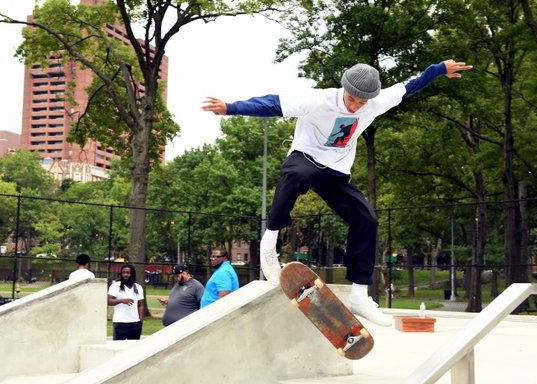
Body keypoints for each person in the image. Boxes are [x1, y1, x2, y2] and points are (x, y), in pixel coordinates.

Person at [202, 59, 472, 326]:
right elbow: (273, 103)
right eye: (352, 99)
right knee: (296, 175)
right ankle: (270, 239)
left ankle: (358, 295)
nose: (355, 106)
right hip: (306, 157)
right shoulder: (318, 100)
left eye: (361, 103)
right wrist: (230, 107)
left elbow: (410, 85)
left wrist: (439, 69)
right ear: (344, 88)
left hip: (337, 172)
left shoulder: (377, 102)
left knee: (367, 220)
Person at [107, 263, 145, 340]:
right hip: (120, 323)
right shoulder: (115, 286)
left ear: (132, 274)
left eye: (128, 273)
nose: (125, 275)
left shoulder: (138, 287)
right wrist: (122, 300)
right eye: (123, 273)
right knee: (118, 347)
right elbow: (108, 301)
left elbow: (140, 305)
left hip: (135, 323)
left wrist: (140, 319)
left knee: (133, 348)